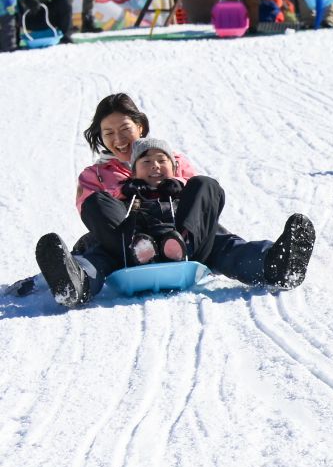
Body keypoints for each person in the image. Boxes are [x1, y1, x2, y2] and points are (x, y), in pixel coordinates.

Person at [33, 92, 317, 309]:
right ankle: (76, 284)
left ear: (140, 127)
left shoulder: (171, 160)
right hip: (125, 245)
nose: (119, 139)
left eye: (125, 129)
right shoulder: (94, 174)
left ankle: (276, 265)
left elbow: (199, 199)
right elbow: (91, 212)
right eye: (109, 133)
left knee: (221, 236)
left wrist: (169, 185)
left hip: (184, 239)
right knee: (96, 234)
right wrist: (129, 193)